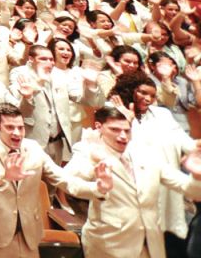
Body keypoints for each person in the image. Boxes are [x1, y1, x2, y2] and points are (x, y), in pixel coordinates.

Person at [66, 106, 201, 258]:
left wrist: (197, 176)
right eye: (115, 130)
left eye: (127, 130)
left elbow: (188, 188)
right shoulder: (87, 151)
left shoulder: (146, 154)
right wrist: (96, 178)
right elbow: (69, 183)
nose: (123, 136)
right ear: (99, 127)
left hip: (151, 243)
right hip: (109, 244)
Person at [0, 102, 90, 258]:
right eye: (10, 127)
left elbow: (63, 179)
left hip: (28, 231)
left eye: (20, 127)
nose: (17, 133)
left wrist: (97, 188)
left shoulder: (33, 147)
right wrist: (4, 176)